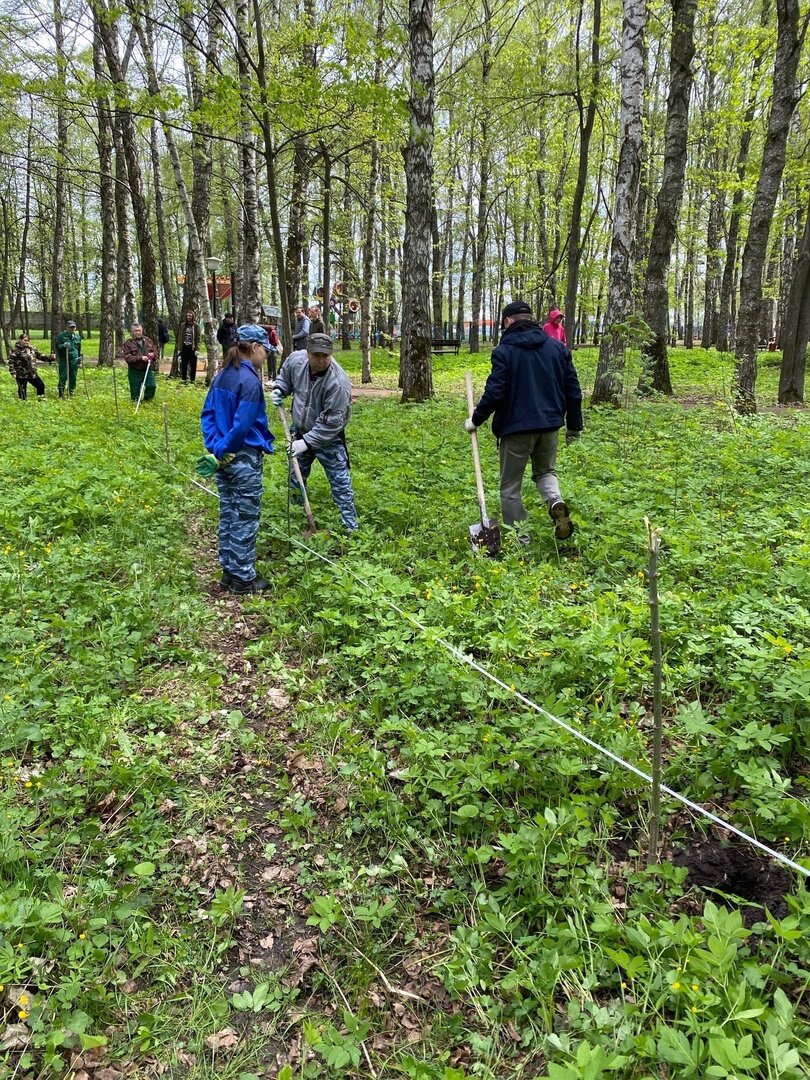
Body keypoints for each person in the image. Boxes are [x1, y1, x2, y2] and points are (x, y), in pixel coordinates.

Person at [465, 300, 582, 543]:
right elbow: (573, 389)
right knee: (545, 471)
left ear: (508, 321)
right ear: (531, 319)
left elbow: (495, 392)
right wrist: (574, 426)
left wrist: (476, 420)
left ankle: (521, 541)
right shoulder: (557, 348)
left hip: (516, 428)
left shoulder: (504, 351)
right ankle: (555, 500)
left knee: (510, 488)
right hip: (550, 425)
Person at [198, 324, 275, 594]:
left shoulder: (222, 376)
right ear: (254, 347)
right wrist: (226, 447)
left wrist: (216, 449)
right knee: (245, 516)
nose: (266, 356)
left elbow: (207, 415)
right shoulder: (250, 381)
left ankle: (229, 572)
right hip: (243, 458)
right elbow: (243, 425)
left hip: (221, 458)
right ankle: (243, 578)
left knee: (229, 513)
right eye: (265, 350)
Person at [270, 332, 358, 531]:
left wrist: (306, 443)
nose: (321, 360)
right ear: (307, 353)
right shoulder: (296, 360)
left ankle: (350, 527)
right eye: (316, 355)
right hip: (300, 430)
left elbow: (333, 423)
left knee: (340, 481)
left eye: (325, 356)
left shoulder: (338, 383)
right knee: (295, 476)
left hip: (328, 438)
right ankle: (295, 516)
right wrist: (280, 388)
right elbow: (286, 376)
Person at [120, 322, 157, 403]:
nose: (138, 332)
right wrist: (140, 358)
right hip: (134, 370)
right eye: (135, 331)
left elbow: (155, 353)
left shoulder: (148, 340)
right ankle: (136, 403)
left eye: (139, 330)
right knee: (135, 392)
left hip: (147, 369)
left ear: (142, 330)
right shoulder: (128, 343)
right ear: (132, 331)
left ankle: (147, 402)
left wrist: (153, 355)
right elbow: (127, 358)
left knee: (152, 386)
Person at [9, 333, 52, 399]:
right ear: (20, 340)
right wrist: (13, 372)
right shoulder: (15, 350)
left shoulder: (32, 348)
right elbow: (11, 362)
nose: (26, 342)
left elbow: (40, 356)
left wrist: (50, 358)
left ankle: (41, 400)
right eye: (25, 340)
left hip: (32, 373)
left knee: (40, 385)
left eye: (28, 340)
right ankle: (22, 403)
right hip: (21, 374)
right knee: (22, 391)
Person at [55, 320, 82, 398]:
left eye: (73, 327)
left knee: (73, 377)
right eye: (70, 327)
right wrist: (63, 346)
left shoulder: (78, 337)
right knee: (63, 376)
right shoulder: (61, 336)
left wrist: (78, 359)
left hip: (74, 360)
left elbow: (78, 348)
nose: (72, 329)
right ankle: (61, 394)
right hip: (64, 359)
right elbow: (57, 347)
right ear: (67, 327)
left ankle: (71, 392)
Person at [176, 310, 201, 383]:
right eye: (187, 315)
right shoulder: (183, 325)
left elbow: (198, 338)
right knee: (184, 364)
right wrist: (179, 348)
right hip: (184, 347)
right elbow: (180, 337)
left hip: (192, 348)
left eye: (190, 316)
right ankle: (184, 379)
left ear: (193, 316)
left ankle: (192, 380)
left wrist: (197, 349)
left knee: (193, 364)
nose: (188, 317)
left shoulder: (196, 326)